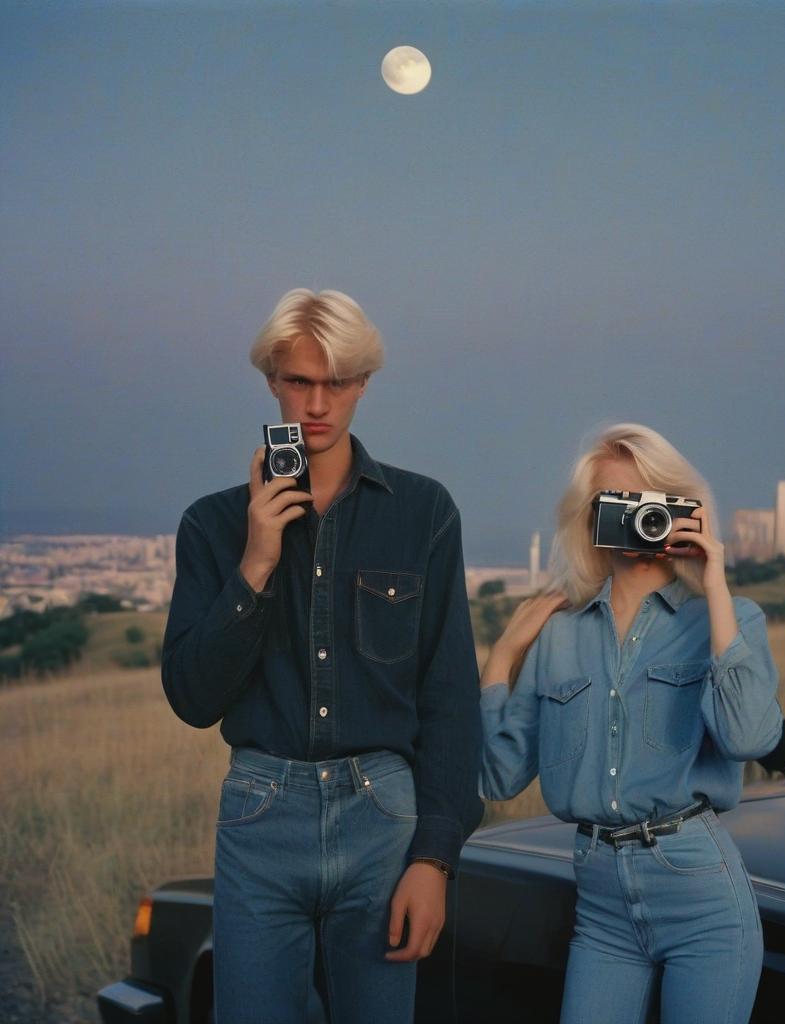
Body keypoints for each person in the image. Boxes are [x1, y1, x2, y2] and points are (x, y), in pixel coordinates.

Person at [162, 288, 483, 1024]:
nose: (317, 404)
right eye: (300, 381)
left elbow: (450, 696)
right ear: (272, 380)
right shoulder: (212, 526)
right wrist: (256, 562)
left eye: (336, 382)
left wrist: (434, 859)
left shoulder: (424, 512)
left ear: (364, 382)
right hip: (260, 816)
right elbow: (191, 697)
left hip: (382, 819)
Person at [479, 423, 782, 1024]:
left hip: (701, 895)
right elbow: (499, 775)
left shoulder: (728, 619)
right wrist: (501, 659)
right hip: (600, 906)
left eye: (652, 499)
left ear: (680, 507)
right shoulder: (559, 634)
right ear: (590, 519)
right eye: (618, 503)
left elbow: (748, 738)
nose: (639, 515)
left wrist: (715, 585)